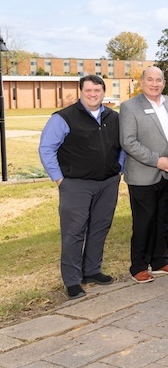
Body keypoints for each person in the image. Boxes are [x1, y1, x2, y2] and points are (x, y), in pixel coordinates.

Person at [39, 75, 123, 299]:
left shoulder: (113, 117)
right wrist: (59, 179)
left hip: (108, 183)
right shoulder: (64, 117)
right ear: (81, 92)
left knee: (99, 228)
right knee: (74, 232)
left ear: (103, 92)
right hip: (75, 184)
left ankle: (92, 271)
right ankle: (72, 281)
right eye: (88, 91)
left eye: (97, 90)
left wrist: (119, 170)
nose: (93, 94)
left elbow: (122, 147)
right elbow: (46, 148)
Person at [119, 66, 168, 284]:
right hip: (142, 174)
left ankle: (159, 261)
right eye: (150, 80)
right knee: (143, 221)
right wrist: (157, 161)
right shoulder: (130, 107)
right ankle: (138, 266)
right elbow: (128, 142)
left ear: (164, 83)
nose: (154, 84)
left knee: (163, 219)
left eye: (159, 80)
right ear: (142, 81)